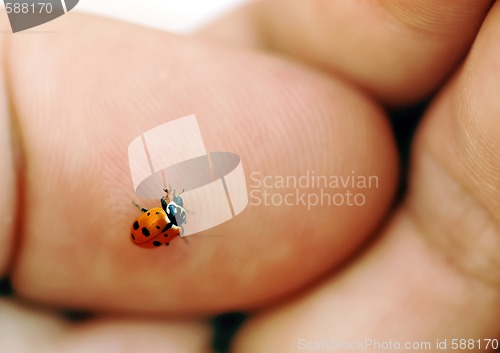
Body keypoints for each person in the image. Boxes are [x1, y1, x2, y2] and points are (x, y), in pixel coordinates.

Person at [1, 1, 499, 352]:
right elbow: (157, 223)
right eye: (168, 214)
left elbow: (157, 223)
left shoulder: (162, 222)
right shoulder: (163, 222)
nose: (167, 214)